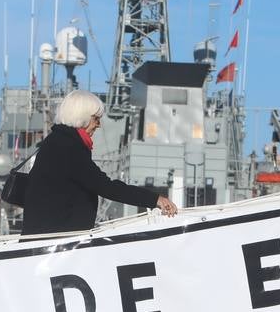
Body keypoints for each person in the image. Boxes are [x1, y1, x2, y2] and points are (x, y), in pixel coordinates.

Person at [20, 90, 179, 235]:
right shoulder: (69, 147)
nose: (98, 124)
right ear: (82, 116)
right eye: (96, 119)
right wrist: (155, 199)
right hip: (55, 243)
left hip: (48, 236)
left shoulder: (58, 141)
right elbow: (106, 187)